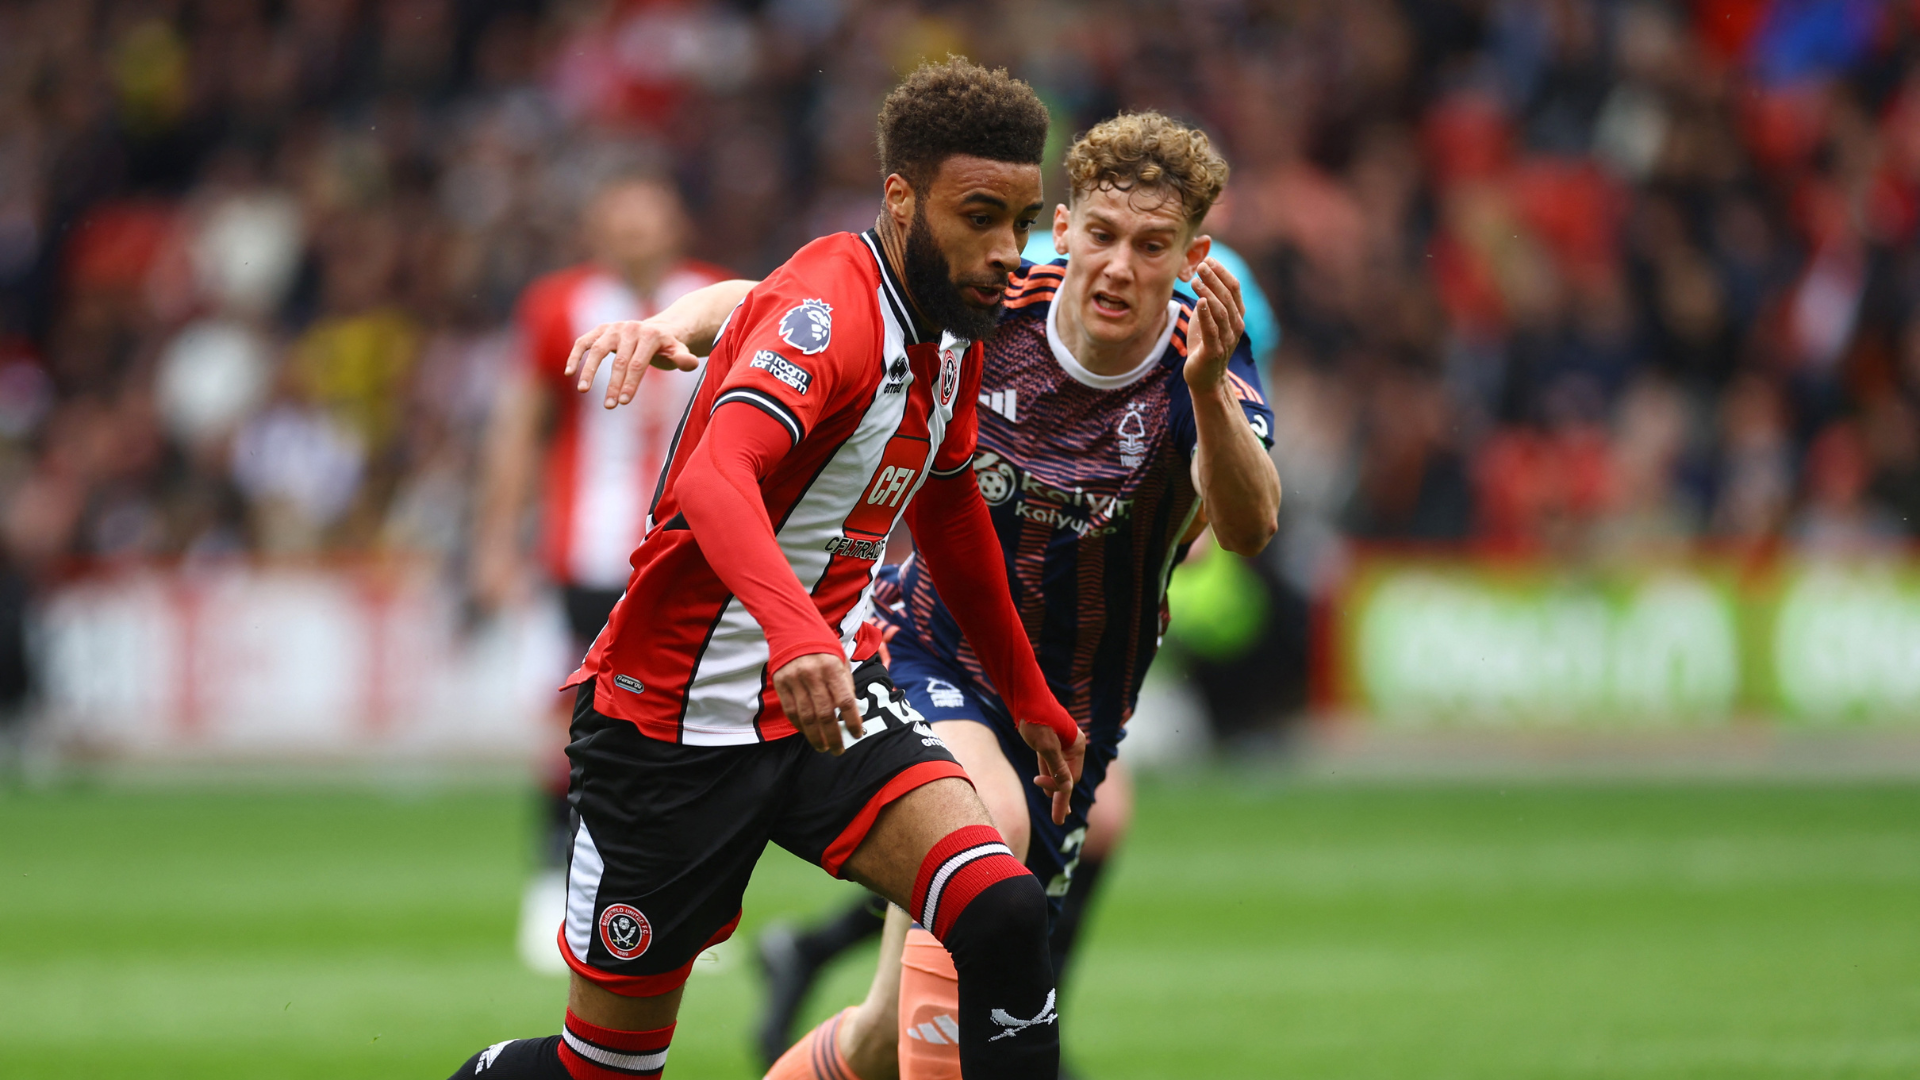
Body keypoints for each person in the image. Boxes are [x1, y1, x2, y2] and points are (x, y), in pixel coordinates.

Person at [445, 57, 1086, 1080]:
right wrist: (793, 632)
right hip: (672, 732)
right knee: (605, 1072)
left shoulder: (956, 315)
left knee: (1003, 912)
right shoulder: (828, 311)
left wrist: (1026, 691)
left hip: (827, 707)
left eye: (1023, 218)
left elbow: (952, 503)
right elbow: (713, 479)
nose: (1008, 251)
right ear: (901, 198)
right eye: (981, 216)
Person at [607, 111, 1280, 1080]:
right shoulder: (999, 304)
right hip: (924, 653)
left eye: (1151, 245)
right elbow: (786, 304)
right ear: (1065, 229)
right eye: (1100, 236)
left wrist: (1212, 391)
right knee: (985, 831)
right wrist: (673, 323)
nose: (1119, 268)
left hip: (1074, 713)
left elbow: (1250, 526)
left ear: (1193, 254)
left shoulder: (1203, 359)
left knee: (885, 1033)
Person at [470, 172, 737, 975]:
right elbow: (521, 425)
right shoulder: (558, 306)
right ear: (598, 228)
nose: (633, 232)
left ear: (674, 222)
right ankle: (552, 883)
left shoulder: (715, 298)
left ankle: (679, 902)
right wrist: (494, 538)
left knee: (693, 725)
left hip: (693, 547)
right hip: (587, 552)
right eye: (618, 219)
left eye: (647, 215)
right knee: (581, 721)